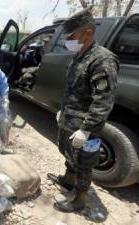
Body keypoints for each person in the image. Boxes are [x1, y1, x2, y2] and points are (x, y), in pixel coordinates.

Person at [47, 8, 119, 213]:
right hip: (70, 119)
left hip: (84, 125)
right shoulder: (80, 55)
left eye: (72, 36)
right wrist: (63, 110)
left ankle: (79, 199)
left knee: (84, 163)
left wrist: (86, 129)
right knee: (69, 154)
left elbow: (103, 100)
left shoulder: (102, 60)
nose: (67, 40)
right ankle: (69, 180)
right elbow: (74, 89)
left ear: (88, 33)